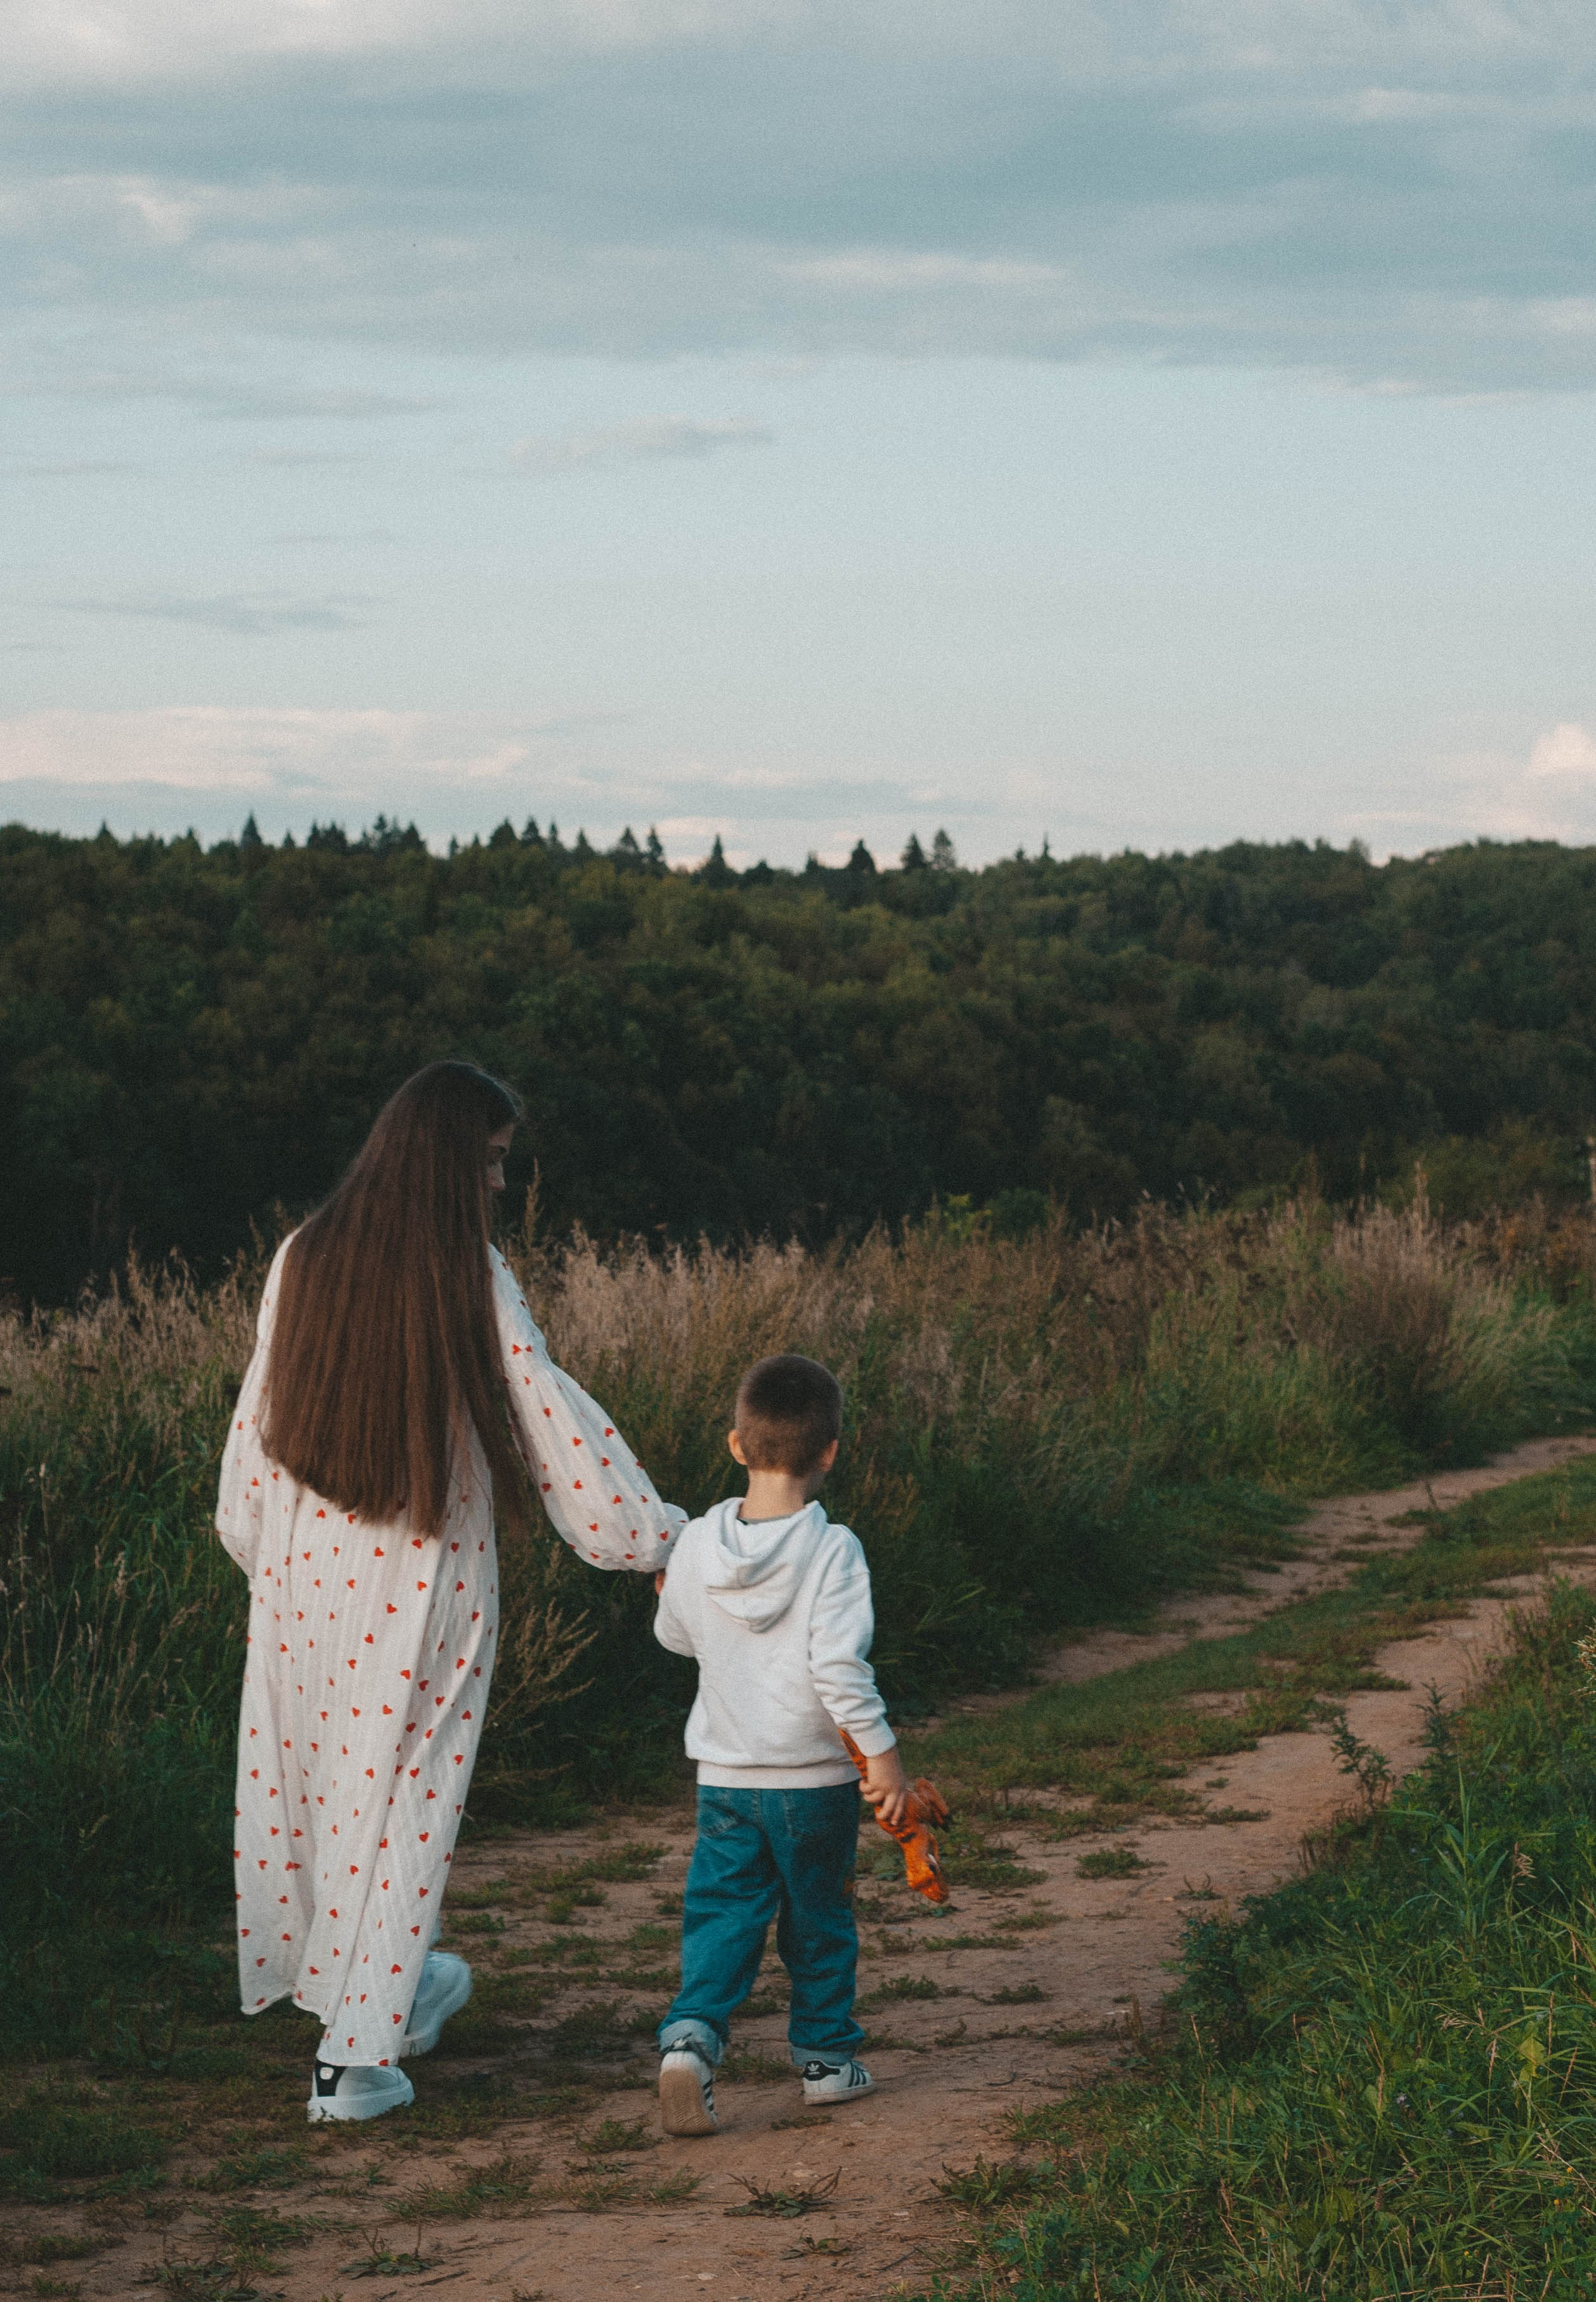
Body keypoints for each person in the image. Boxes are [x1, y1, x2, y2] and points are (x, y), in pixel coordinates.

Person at [215, 1060, 683, 2124]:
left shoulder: (304, 1255)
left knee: (327, 1789)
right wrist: (653, 1538)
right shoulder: (468, 1273)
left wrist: (261, 1555)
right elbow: (549, 1418)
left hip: (302, 1567)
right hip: (419, 1574)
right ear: (448, 1165)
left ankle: (376, 1989)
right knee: (404, 1802)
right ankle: (355, 2064)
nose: (501, 1186)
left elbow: (258, 1420)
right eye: (492, 1164)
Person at [651, 1352, 907, 2136]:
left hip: (725, 1776)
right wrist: (885, 1754)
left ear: (736, 1445)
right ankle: (826, 2060)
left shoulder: (695, 1543)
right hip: (814, 1781)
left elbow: (674, 1638)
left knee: (723, 1911)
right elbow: (838, 1667)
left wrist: (675, 1588)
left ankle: (691, 2043)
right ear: (831, 1451)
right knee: (818, 1916)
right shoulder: (834, 1550)